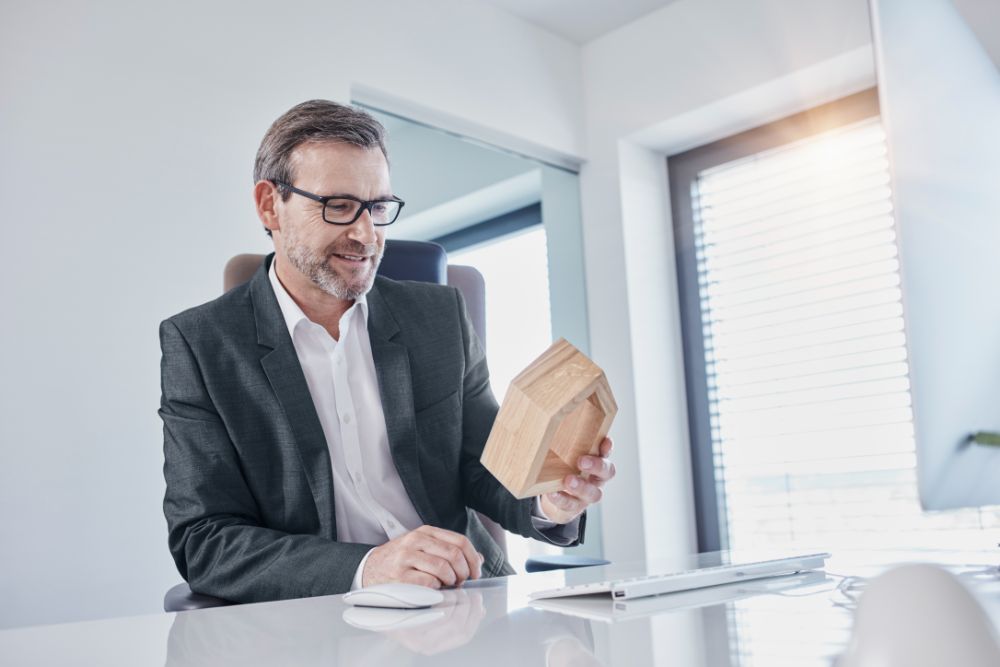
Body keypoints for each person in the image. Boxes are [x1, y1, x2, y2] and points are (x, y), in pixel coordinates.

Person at [159, 100, 616, 603]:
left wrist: (549, 500)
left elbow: (485, 468)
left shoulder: (438, 317)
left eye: (377, 207)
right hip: (320, 615)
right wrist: (368, 567)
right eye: (338, 205)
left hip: (463, 598)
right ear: (270, 206)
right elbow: (204, 541)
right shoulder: (201, 345)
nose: (366, 235)